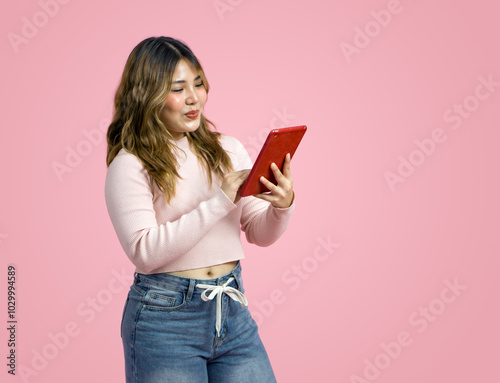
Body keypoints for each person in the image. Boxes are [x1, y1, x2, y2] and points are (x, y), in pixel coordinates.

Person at [104, 36, 295, 383]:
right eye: (178, 88)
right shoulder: (130, 165)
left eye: (198, 83)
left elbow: (257, 232)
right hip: (165, 320)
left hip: (232, 311)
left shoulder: (229, 149)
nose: (194, 98)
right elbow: (144, 252)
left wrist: (281, 207)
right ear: (147, 96)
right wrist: (220, 200)